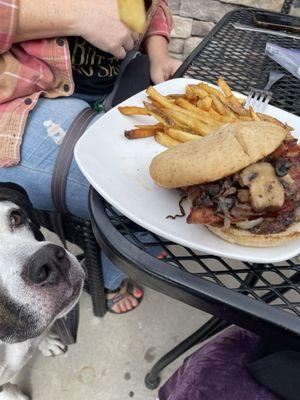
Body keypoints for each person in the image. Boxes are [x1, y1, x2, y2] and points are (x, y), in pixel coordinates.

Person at [0, 0, 181, 313]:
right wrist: (74, 14)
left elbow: (153, 8)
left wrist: (158, 52)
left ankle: (126, 249)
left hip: (106, 94)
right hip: (15, 107)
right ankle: (109, 282)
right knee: (161, 202)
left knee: (179, 178)